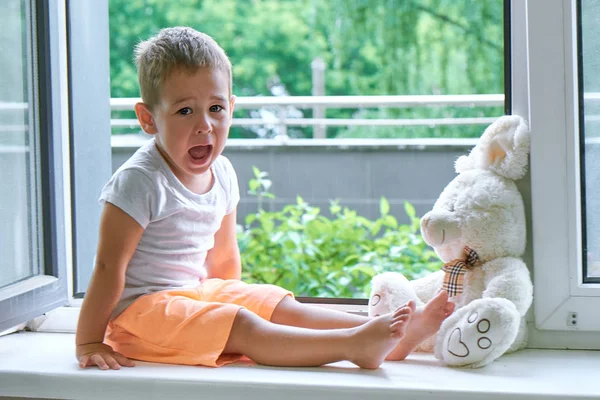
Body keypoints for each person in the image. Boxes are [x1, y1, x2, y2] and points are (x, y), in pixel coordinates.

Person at [75, 26, 454, 371]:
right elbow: (109, 269)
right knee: (243, 323)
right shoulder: (139, 182)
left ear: (231, 108)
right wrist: (89, 341)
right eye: (185, 110)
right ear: (148, 119)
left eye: (216, 108)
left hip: (191, 296)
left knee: (273, 302)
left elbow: (223, 258)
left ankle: (385, 334)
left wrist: (232, 303)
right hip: (139, 317)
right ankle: (354, 346)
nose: (204, 125)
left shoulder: (222, 173)